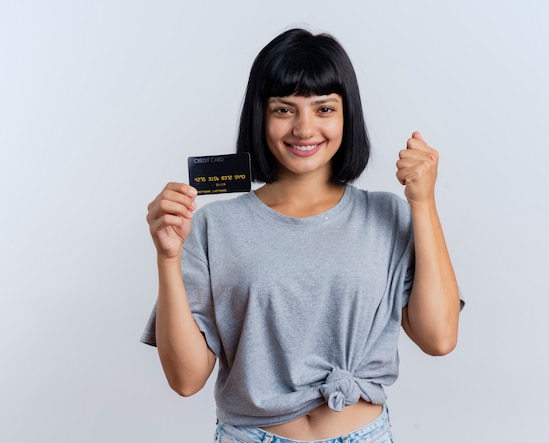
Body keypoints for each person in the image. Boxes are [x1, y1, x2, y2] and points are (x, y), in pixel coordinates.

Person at [142, 28, 463, 443]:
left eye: (324, 108)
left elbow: (439, 337)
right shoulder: (212, 226)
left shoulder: (387, 215)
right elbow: (186, 380)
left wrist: (423, 203)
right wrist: (168, 258)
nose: (305, 128)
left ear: (347, 114)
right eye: (283, 110)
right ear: (261, 116)